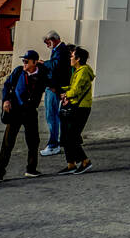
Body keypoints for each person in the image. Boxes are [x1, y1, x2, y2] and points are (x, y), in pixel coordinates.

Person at [0, 49, 47, 181]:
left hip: (30, 112)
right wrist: (6, 100)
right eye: (23, 61)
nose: (24, 63)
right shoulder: (18, 71)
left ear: (34, 62)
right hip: (15, 111)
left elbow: (52, 81)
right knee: (7, 143)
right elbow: (7, 85)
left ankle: (31, 169)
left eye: (26, 61)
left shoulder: (41, 73)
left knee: (33, 141)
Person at [58, 46, 95, 175]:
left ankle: (85, 161)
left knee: (72, 136)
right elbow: (73, 87)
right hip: (75, 106)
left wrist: (66, 94)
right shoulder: (78, 70)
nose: (70, 58)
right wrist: (59, 88)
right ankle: (71, 164)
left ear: (78, 59)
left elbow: (76, 90)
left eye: (72, 56)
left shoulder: (83, 71)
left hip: (81, 108)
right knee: (66, 135)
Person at [40, 30, 72, 157]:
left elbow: (56, 66)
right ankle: (58, 142)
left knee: (52, 116)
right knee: (54, 116)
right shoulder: (59, 50)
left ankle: (54, 144)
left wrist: (44, 63)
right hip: (54, 87)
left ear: (53, 40)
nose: (47, 46)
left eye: (48, 43)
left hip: (54, 88)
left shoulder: (61, 50)